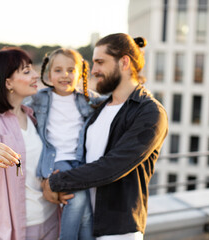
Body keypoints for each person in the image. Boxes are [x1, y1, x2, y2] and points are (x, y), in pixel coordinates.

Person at [42, 33, 169, 239]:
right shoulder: (98, 108)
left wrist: (55, 182)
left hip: (118, 230)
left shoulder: (150, 113)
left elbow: (111, 166)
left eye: (100, 62)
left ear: (124, 62)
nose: (94, 71)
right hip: (87, 223)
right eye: (93, 63)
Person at [0, 47, 59, 240]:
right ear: (8, 82)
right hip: (19, 229)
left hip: (53, 219)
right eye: (27, 71)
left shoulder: (34, 116)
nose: (36, 75)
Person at [29, 48, 101, 240]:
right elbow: (16, 106)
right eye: (58, 70)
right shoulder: (40, 98)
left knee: (86, 214)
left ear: (80, 74)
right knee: (77, 201)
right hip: (56, 162)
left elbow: (112, 103)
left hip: (80, 161)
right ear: (49, 74)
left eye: (71, 70)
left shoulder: (87, 98)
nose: (65, 75)